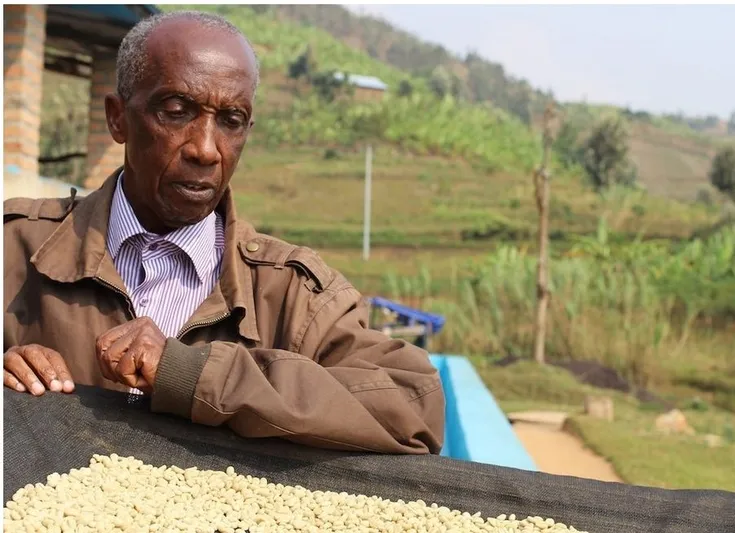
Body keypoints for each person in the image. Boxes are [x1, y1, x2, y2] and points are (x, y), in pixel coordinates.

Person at [3, 11, 444, 455]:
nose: (205, 149)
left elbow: (414, 404)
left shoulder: (292, 293)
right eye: (176, 112)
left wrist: (194, 375)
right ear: (118, 118)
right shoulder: (16, 248)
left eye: (231, 120)